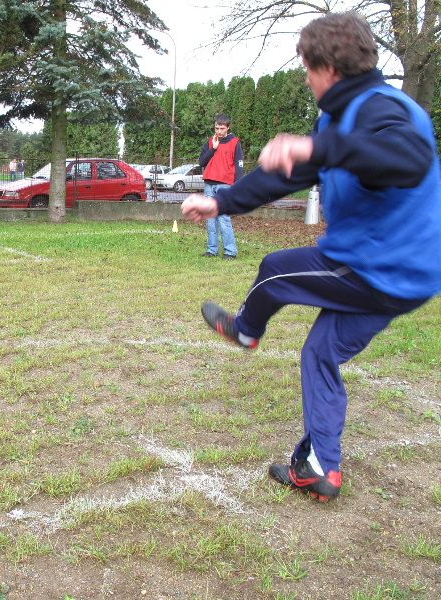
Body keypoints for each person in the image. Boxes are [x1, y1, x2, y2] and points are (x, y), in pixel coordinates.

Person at [181, 11, 441, 501]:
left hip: (381, 267)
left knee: (276, 270)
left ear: (329, 69)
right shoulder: (338, 120)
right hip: (407, 278)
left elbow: (409, 158)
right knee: (320, 353)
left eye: (306, 68)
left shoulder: (386, 109)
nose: (304, 78)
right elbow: (287, 174)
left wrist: (325, 149)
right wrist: (220, 202)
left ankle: (246, 330)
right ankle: (322, 468)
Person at [198, 114, 242, 259]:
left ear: (228, 128)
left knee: (223, 218)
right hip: (209, 184)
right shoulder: (210, 142)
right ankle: (212, 250)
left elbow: (239, 166)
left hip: (225, 185)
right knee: (211, 219)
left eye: (222, 128)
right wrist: (214, 149)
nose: (219, 131)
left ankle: (230, 252)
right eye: (216, 128)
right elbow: (201, 162)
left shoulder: (235, 142)